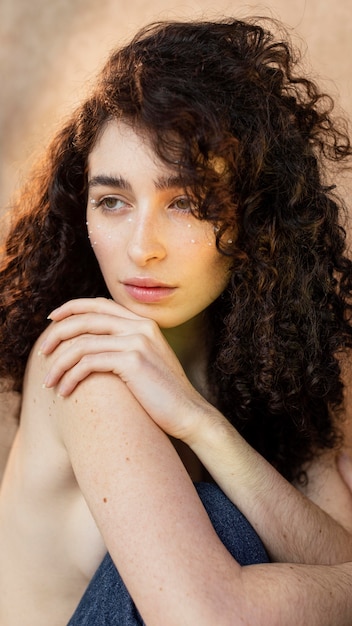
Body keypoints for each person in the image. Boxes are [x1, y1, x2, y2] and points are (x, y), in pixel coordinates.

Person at [1, 15, 352, 626]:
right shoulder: (89, 361)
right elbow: (206, 617)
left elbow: (338, 556)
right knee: (222, 521)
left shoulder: (270, 370)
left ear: (255, 218)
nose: (143, 248)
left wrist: (204, 425)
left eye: (186, 203)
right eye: (112, 201)